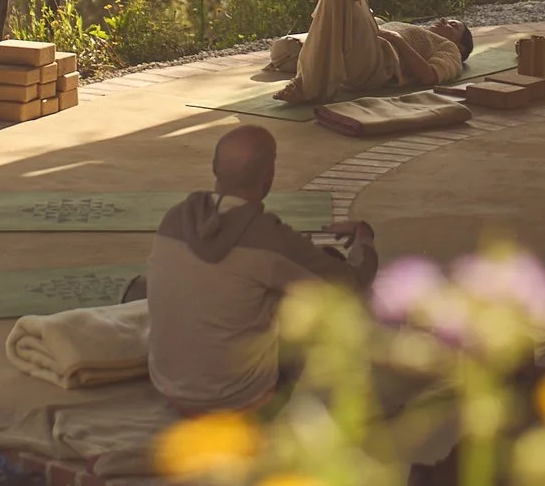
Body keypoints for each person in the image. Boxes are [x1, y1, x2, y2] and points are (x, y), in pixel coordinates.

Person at [146, 124, 379, 413]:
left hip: (169, 389)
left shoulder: (173, 219)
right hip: (240, 398)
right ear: (268, 180)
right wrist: (363, 239)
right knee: (324, 302)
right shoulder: (271, 239)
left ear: (214, 167)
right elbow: (352, 283)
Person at [276, 0, 472, 104]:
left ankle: (308, 84)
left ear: (460, 46)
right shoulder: (414, 30)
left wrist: (396, 39)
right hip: (362, 45)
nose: (445, 20)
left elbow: (429, 77)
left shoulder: (449, 49)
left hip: (378, 63)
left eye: (453, 26)